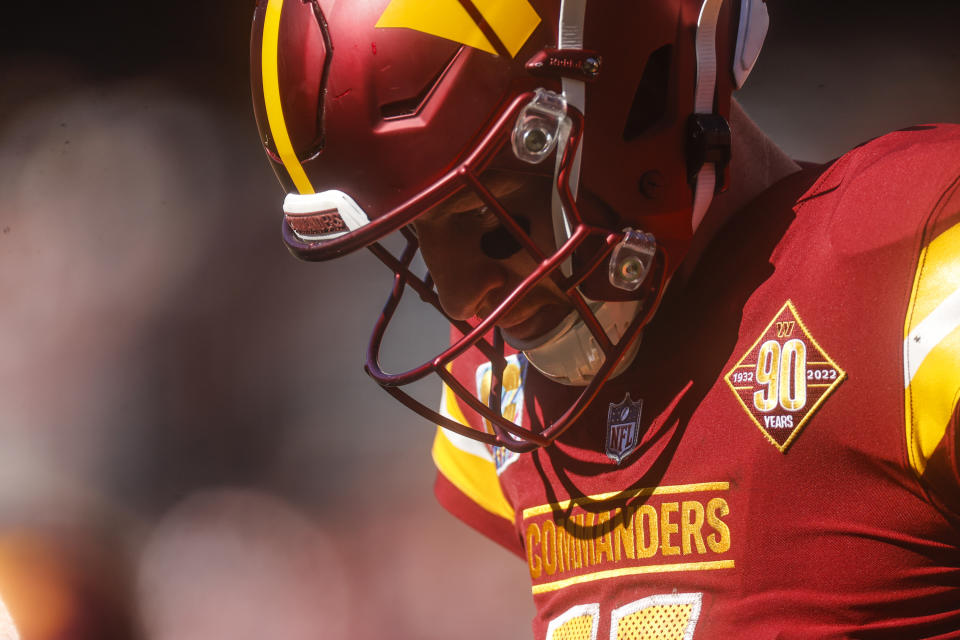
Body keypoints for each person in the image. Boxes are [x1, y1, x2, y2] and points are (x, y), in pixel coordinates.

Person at [250, 0, 960, 637]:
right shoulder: (501, 385)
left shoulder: (916, 275)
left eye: (488, 218)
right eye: (424, 240)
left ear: (634, 94)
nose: (469, 299)